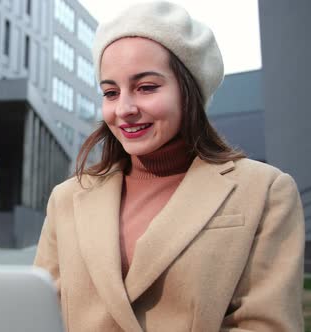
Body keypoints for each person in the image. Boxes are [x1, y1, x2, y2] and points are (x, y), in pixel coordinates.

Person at [33, 1, 305, 331]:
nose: (125, 108)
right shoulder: (67, 198)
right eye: (110, 92)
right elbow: (39, 314)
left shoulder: (265, 191)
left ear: (189, 91)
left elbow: (266, 325)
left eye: (146, 87)